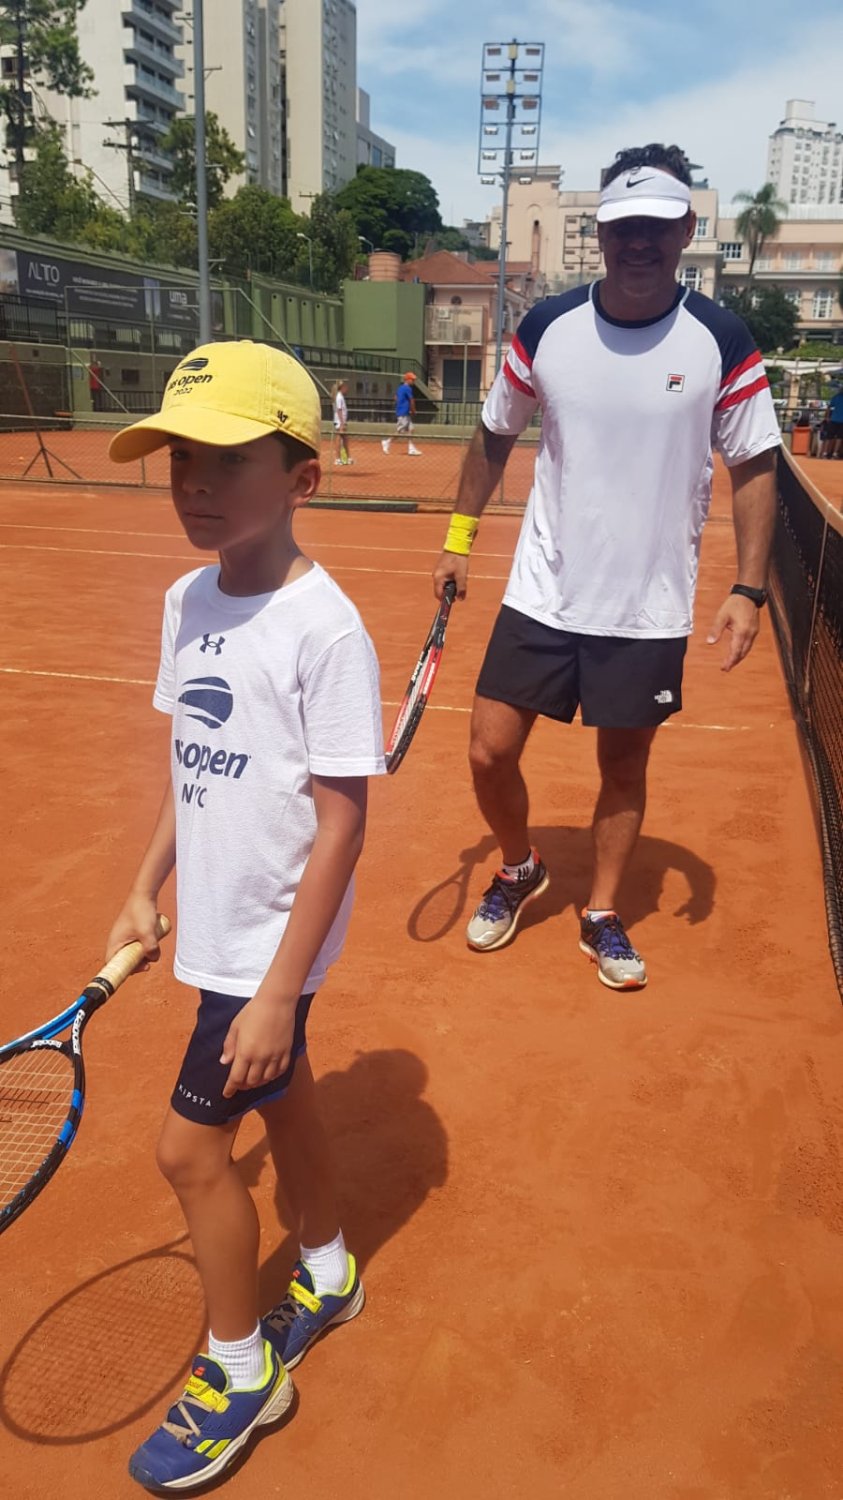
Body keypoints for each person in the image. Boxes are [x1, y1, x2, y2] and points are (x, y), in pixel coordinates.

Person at [106, 340, 385, 1491]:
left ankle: (241, 1372)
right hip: (220, 921)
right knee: (285, 1088)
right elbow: (191, 762)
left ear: (302, 477)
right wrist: (146, 884)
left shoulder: (326, 629)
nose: (194, 482)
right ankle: (328, 1267)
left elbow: (344, 824)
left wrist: (277, 989)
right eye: (181, 457)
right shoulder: (187, 601)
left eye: (227, 458)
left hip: (272, 936)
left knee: (189, 1150)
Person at [433, 143, 780, 991]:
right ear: (600, 233)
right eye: (622, 227)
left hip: (647, 606)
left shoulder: (720, 339)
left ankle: (600, 914)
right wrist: (457, 540)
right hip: (542, 592)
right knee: (487, 752)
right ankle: (520, 868)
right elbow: (493, 434)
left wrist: (748, 588)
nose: (637, 243)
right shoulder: (547, 327)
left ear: (685, 230)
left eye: (655, 227)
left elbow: (754, 464)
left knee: (623, 767)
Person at [382, 370, 422, 456]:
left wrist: (401, 404)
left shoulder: (400, 388)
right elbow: (411, 400)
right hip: (403, 413)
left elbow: (395, 397)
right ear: (407, 379)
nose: (413, 381)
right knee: (400, 431)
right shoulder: (408, 388)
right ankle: (387, 442)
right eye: (412, 379)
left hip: (403, 412)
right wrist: (413, 410)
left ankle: (411, 449)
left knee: (411, 429)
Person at [332, 378, 353, 464]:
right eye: (345, 387)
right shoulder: (339, 397)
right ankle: (337, 459)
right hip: (340, 421)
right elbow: (339, 410)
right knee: (339, 438)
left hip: (342, 421)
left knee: (345, 439)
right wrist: (342, 423)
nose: (347, 389)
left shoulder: (340, 396)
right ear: (342, 387)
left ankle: (348, 458)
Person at [820, 386, 843, 458]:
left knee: (830, 437)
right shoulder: (837, 397)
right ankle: (834, 453)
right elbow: (829, 407)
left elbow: (829, 407)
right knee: (839, 437)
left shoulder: (836, 397)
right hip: (836, 420)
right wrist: (827, 417)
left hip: (834, 419)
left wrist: (827, 417)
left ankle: (826, 452)